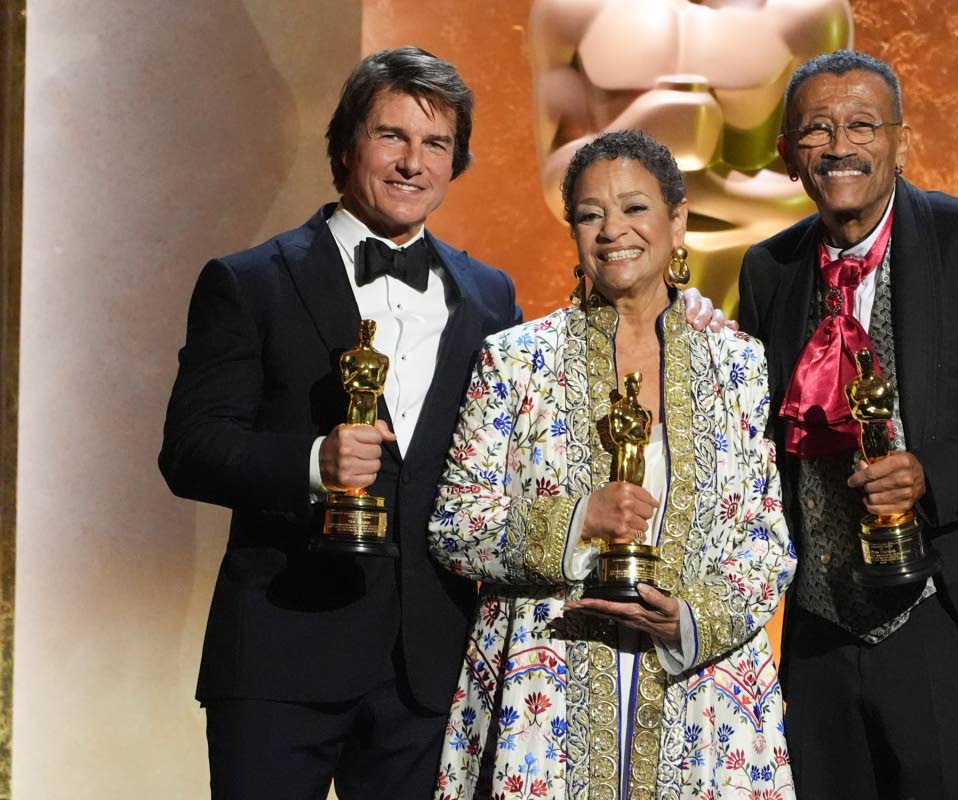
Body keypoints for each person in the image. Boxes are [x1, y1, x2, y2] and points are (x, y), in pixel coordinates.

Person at [159, 47, 727, 799]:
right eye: (391, 136)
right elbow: (191, 449)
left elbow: (538, 441)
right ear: (346, 144)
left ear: (455, 161)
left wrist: (680, 325)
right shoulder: (250, 280)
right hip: (281, 654)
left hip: (431, 670)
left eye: (434, 144)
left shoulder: (489, 294)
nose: (411, 163)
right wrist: (311, 464)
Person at [738, 50, 958, 799]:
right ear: (786, 155)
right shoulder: (766, 270)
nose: (840, 147)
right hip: (820, 622)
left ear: (902, 141)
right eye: (817, 130)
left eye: (863, 125)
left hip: (954, 616)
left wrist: (933, 472)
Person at [428, 130, 796, 800]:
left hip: (703, 697)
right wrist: (575, 521)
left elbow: (766, 542)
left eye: (634, 208)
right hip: (545, 691)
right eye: (590, 214)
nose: (612, 231)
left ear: (677, 219)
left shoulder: (738, 365)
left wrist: (687, 620)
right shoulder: (515, 360)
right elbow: (455, 525)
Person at [528, 0, 853, 310]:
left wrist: (698, 189)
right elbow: (558, 183)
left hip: (751, 296)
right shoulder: (569, 11)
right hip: (623, 300)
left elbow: (829, 187)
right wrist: (646, 123)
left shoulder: (808, 12)